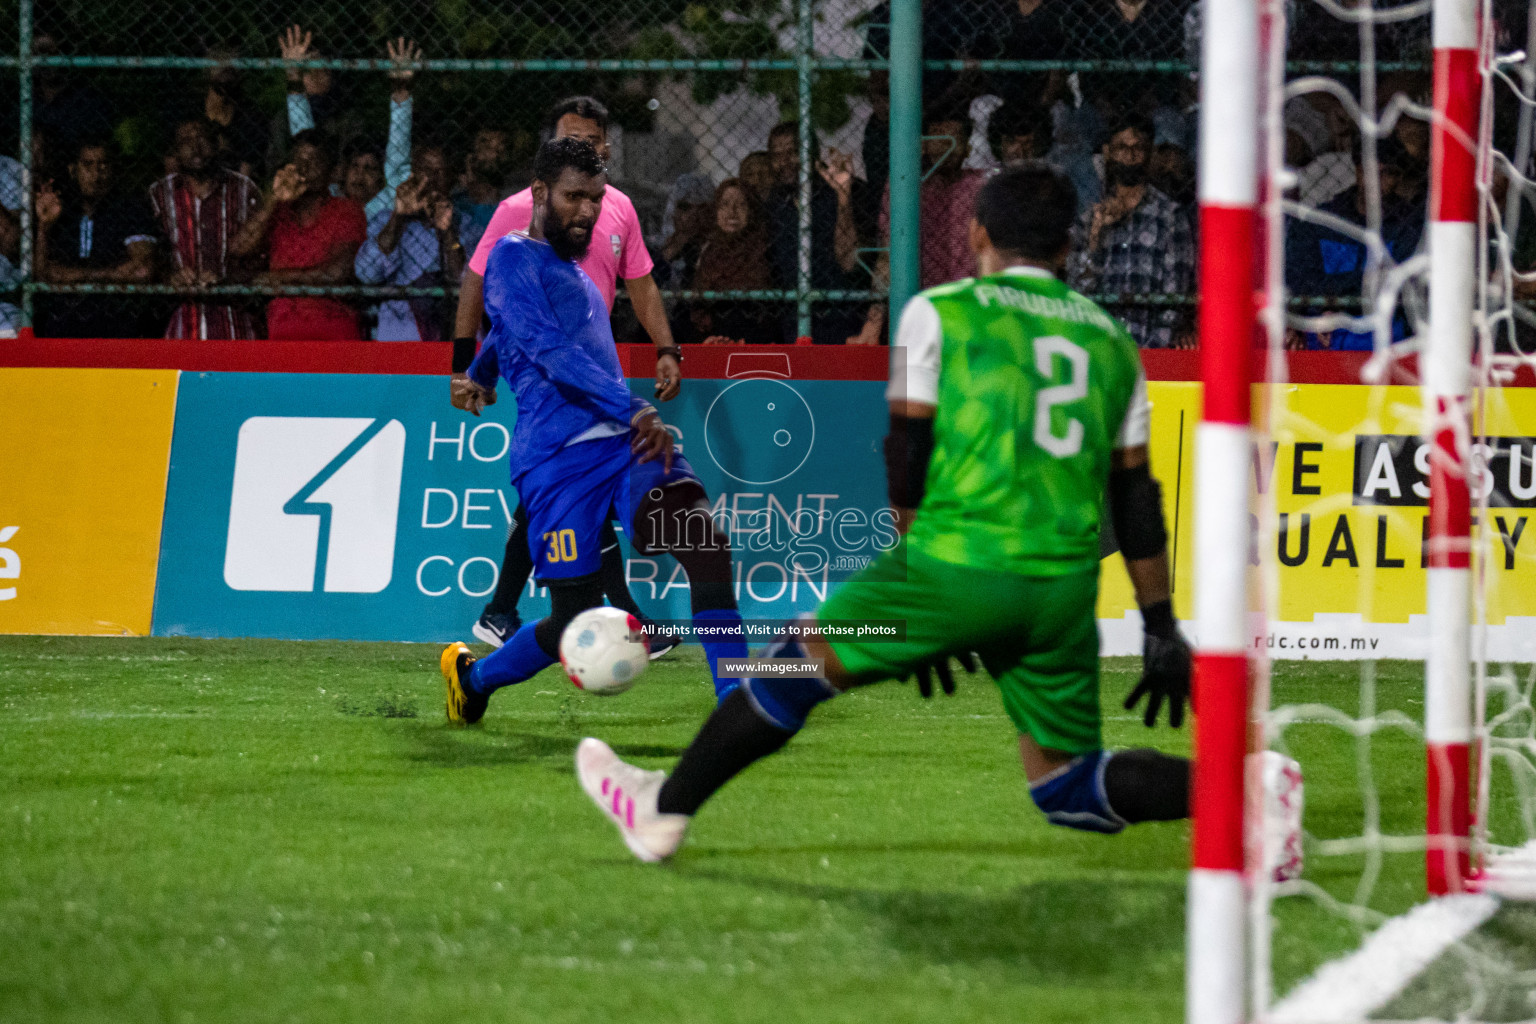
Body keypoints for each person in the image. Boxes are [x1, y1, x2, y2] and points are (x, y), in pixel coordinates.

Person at [573, 163, 1192, 862]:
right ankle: (1243, 795)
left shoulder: (946, 310)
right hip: (1060, 593)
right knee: (1066, 784)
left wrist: (912, 586)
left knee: (785, 664)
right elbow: (1136, 498)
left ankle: (660, 810)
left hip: (952, 569)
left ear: (978, 233)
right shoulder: (1109, 340)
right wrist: (1161, 623)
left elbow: (908, 454)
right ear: (1067, 247)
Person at [439, 136, 750, 725]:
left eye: (596, 198)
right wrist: (632, 405)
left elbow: (511, 333)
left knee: (704, 544)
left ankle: (738, 702)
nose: (587, 210)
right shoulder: (511, 256)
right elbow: (549, 350)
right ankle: (472, 679)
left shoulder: (568, 266)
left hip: (621, 445)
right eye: (574, 197)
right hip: (556, 462)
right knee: (570, 621)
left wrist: (480, 373)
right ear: (538, 192)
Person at [450, 96, 684, 649]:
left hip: (591, 373)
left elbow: (642, 283)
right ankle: (620, 618)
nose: (584, 149)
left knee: (567, 494)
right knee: (571, 488)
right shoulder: (519, 217)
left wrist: (667, 348)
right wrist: (468, 366)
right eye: (571, 138)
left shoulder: (614, 207)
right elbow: (486, 290)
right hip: (557, 374)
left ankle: (504, 610)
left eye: (593, 140)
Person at [849, 103, 988, 344]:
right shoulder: (904, 186)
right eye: (938, 139)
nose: (945, 146)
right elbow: (887, 256)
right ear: (924, 144)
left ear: (967, 148)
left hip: (970, 310)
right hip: (919, 309)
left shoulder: (981, 186)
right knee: (911, 377)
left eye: (953, 140)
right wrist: (874, 322)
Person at [1066, 114, 1195, 348]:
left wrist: (1153, 347)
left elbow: (1174, 295)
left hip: (1150, 343)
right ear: (1107, 152)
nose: (1130, 155)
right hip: (1099, 344)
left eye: (1139, 148)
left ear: (1150, 154)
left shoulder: (1170, 216)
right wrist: (1095, 238)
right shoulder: (1089, 218)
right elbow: (1078, 293)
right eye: (1121, 148)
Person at [1285, 137, 1424, 350]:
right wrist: (1326, 308)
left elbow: (1400, 287)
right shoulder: (1322, 221)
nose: (1376, 181)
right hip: (1323, 330)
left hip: (1385, 335)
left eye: (1387, 173)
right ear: (1358, 170)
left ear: (1399, 178)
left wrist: (1333, 302)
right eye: (1370, 170)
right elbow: (1300, 282)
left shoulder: (1409, 225)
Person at [230, 128, 367, 340]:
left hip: (333, 334)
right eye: (298, 161)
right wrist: (273, 199)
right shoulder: (278, 211)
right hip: (282, 333)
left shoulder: (346, 210)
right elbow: (239, 249)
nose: (304, 168)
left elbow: (337, 273)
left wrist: (274, 279)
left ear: (332, 171)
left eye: (314, 161)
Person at [284, 30, 418, 223]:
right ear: (342, 170)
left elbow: (398, 152)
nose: (359, 175)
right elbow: (305, 144)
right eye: (354, 166)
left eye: (370, 168)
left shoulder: (387, 202)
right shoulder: (330, 197)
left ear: (381, 177)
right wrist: (294, 78)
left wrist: (401, 90)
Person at [149, 118, 263, 339]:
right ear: (175, 149)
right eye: (186, 141)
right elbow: (151, 251)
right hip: (178, 320)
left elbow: (261, 253)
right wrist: (170, 275)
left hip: (235, 320)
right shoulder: (159, 194)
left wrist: (226, 278)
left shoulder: (243, 189)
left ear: (216, 143)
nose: (195, 146)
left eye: (202, 138)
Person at [33, 140, 158, 338]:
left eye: (104, 165)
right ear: (73, 170)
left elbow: (142, 270)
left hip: (118, 320)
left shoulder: (130, 210)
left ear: (114, 169)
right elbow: (43, 274)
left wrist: (72, 276)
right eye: (88, 165)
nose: (96, 174)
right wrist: (44, 227)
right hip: (62, 321)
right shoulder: (61, 211)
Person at [762, 121, 863, 343]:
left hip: (839, 314)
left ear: (812, 153)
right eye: (776, 156)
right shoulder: (775, 204)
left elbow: (848, 262)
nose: (784, 162)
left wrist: (843, 201)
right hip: (793, 319)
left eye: (792, 153)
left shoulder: (836, 192)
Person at [353, 146, 462, 340]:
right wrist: (399, 217)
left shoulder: (468, 225)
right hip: (402, 333)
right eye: (425, 170)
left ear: (452, 179)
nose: (432, 179)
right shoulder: (385, 220)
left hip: (454, 332)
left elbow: (466, 279)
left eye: (440, 171)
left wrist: (448, 233)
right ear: (412, 175)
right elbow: (366, 273)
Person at [691, 178, 774, 344]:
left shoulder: (764, 250)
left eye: (741, 205)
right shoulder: (708, 252)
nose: (732, 212)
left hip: (753, 336)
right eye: (725, 205)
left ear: (752, 210)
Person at [451, 127, 514, 255]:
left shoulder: (514, 197)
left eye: (499, 147)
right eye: (485, 144)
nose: (492, 153)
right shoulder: (456, 198)